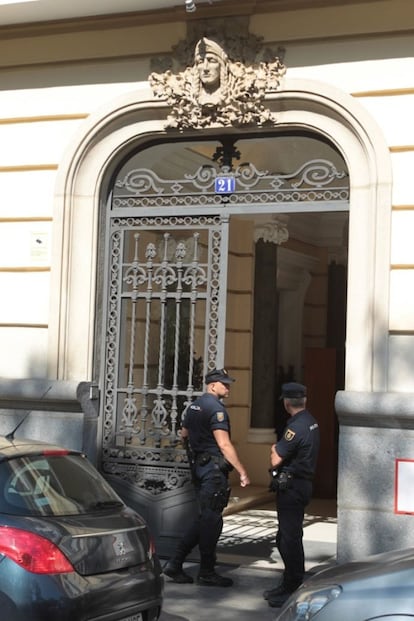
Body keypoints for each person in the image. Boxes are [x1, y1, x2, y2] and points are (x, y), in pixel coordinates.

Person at [163, 367, 250, 587]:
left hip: (200, 468)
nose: (228, 387)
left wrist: (196, 457)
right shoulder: (216, 409)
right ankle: (206, 571)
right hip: (213, 471)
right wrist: (241, 470)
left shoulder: (193, 406)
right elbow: (224, 444)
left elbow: (184, 435)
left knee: (205, 518)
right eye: (224, 383)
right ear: (212, 385)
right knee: (211, 521)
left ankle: (175, 563)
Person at [264, 382, 320, 608]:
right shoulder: (311, 421)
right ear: (304, 400)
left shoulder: (295, 428)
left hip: (292, 488)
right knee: (287, 537)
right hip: (301, 485)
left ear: (287, 403)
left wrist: (273, 449)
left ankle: (293, 586)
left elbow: (275, 458)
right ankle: (289, 582)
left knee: (289, 540)